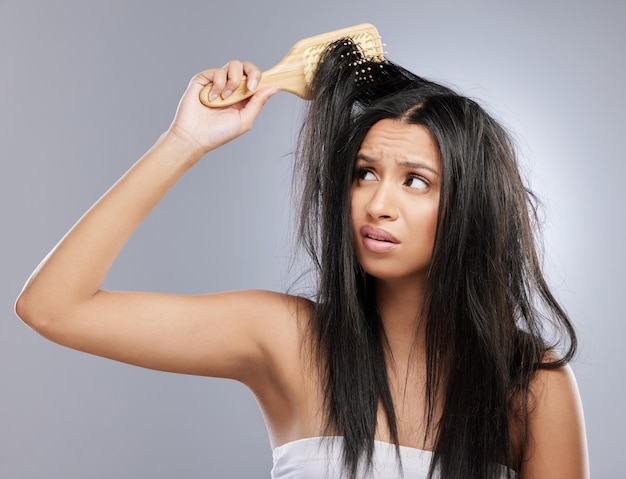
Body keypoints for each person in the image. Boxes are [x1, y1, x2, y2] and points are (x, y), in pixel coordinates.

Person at [15, 39, 589, 478]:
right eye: (365, 173)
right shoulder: (287, 339)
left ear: (475, 207)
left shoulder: (527, 383)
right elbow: (53, 307)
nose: (377, 204)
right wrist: (184, 141)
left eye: (416, 181)